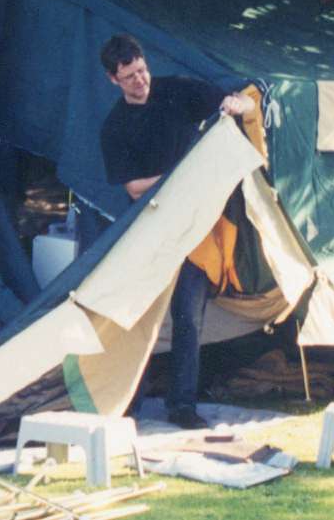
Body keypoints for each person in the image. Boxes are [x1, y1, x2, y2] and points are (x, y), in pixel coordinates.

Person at [99, 34, 254, 429]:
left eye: (142, 70)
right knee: (136, 317)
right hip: (149, 229)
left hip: (193, 225)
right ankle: (125, 403)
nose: (141, 80)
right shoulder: (114, 127)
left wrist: (237, 104)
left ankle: (182, 405)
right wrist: (180, 177)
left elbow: (244, 102)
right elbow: (133, 188)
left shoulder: (176, 92)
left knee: (188, 316)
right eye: (129, 77)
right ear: (112, 80)